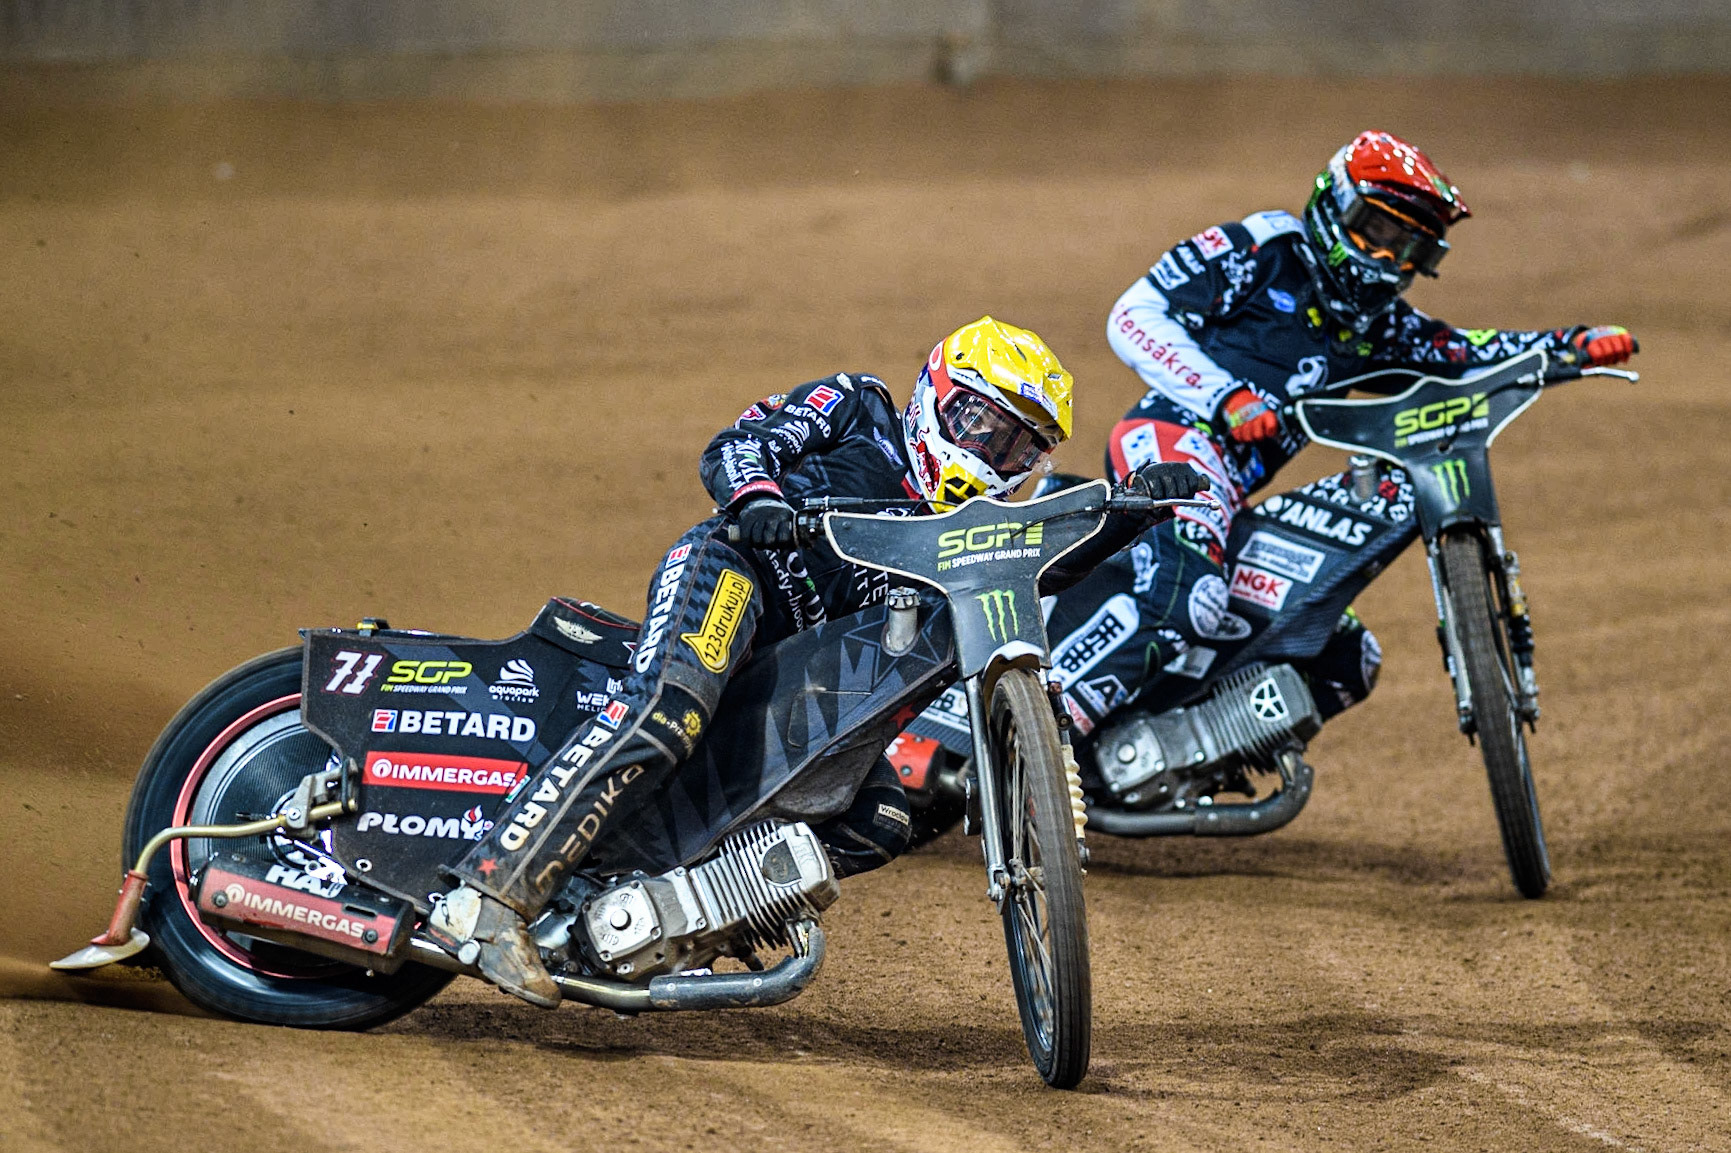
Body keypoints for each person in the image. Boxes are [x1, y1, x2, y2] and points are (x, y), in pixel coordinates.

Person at [431, 316, 1207, 1006]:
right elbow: (741, 442)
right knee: (669, 706)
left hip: (798, 674)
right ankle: (488, 899)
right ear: (933, 394)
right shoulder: (859, 406)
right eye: (977, 422)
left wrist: (1135, 510)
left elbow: (1048, 565)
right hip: (735, 575)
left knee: (880, 815)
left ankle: (681, 914)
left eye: (1015, 445)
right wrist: (759, 500)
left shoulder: (973, 524)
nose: (988, 452)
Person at [1045, 129, 1638, 738]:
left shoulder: (1379, 327)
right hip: (1172, 442)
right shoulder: (1265, 246)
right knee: (1189, 599)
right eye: (1377, 232)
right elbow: (1134, 314)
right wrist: (1227, 397)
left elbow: (1463, 353)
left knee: (1345, 657)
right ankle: (1041, 744)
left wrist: (1570, 347)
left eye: (1406, 245)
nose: (1387, 257)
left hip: (1231, 494)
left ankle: (1147, 747)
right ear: (1335, 205)